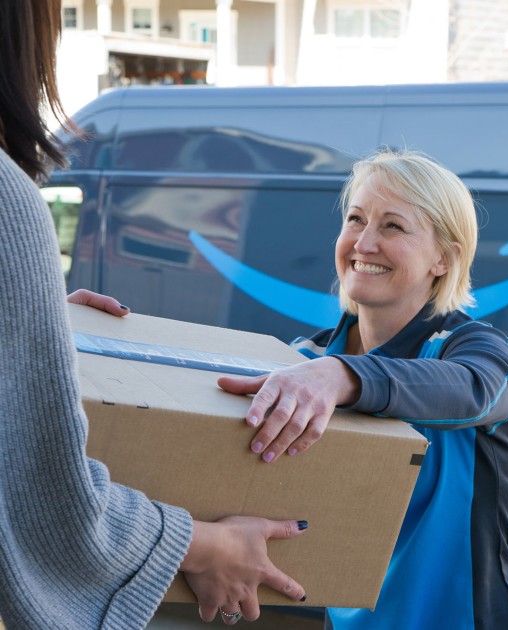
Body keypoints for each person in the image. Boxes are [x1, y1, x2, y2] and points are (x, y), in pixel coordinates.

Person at [0, 2, 307, 628]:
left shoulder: (464, 345)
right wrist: (213, 545)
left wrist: (32, 315)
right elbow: (45, 500)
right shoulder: (8, 203)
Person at [218, 149, 508, 629]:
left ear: (444, 258)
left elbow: (475, 390)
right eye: (355, 219)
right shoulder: (303, 363)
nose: (364, 242)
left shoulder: (474, 349)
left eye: (392, 226)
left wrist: (347, 376)